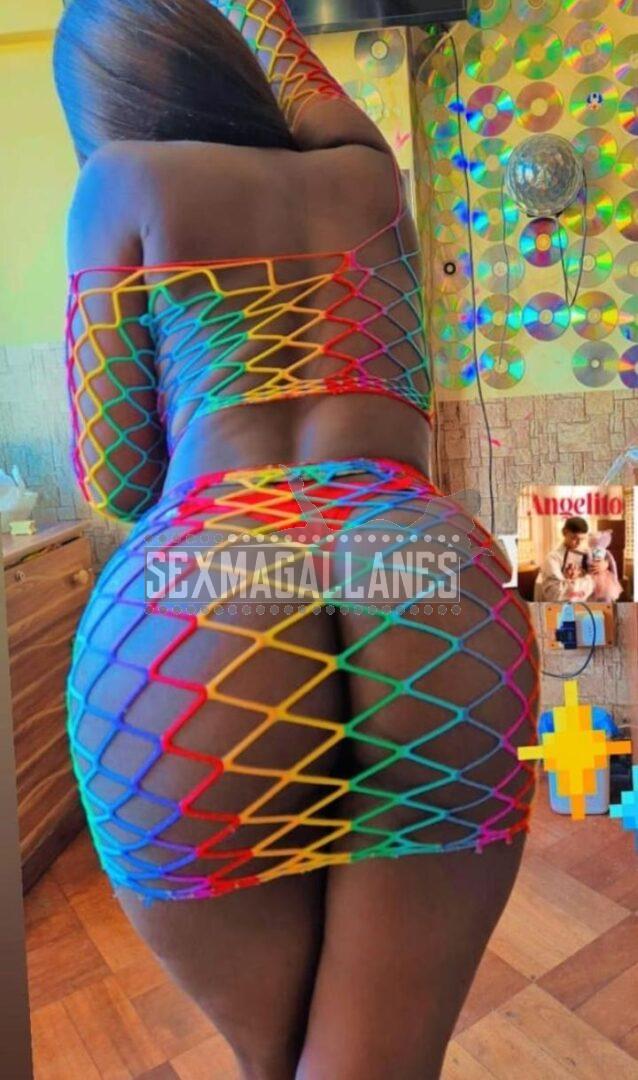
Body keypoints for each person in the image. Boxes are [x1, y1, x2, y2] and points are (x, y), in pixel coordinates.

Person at [54, 2, 539, 1076]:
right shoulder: (367, 176)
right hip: (419, 573)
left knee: (279, 1062)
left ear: (101, 104)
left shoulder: (120, 183)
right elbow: (319, 98)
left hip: (206, 589)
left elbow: (118, 477)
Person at [537, 516, 589, 602]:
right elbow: (555, 593)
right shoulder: (552, 558)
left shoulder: (586, 553)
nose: (579, 543)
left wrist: (605, 564)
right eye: (574, 538)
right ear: (564, 532)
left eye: (582, 539)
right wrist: (570, 579)